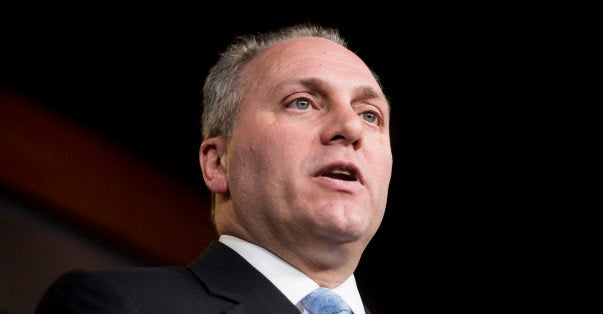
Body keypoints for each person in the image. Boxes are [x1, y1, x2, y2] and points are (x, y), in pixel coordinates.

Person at [35, 22, 393, 314]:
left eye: (369, 115)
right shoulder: (118, 305)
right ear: (219, 163)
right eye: (302, 103)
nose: (350, 128)